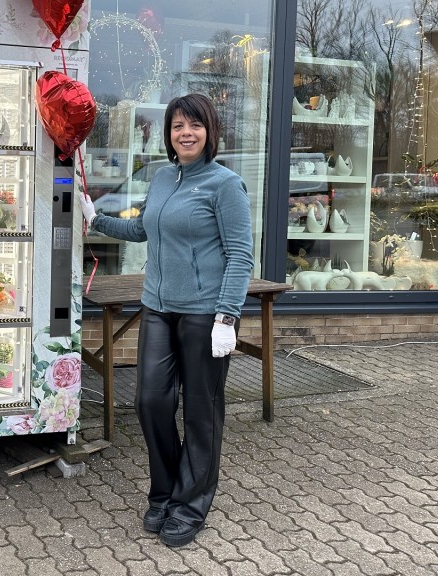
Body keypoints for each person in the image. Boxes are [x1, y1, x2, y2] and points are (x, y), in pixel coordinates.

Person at [79, 93, 253, 547]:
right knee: (150, 402)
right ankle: (166, 491)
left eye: (194, 125)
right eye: (178, 126)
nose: (186, 133)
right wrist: (98, 219)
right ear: (169, 134)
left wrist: (227, 317)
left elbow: (239, 255)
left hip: (205, 314)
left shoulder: (225, 184)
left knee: (201, 412)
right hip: (158, 307)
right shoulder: (161, 177)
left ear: (210, 132)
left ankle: (190, 505)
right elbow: (143, 229)